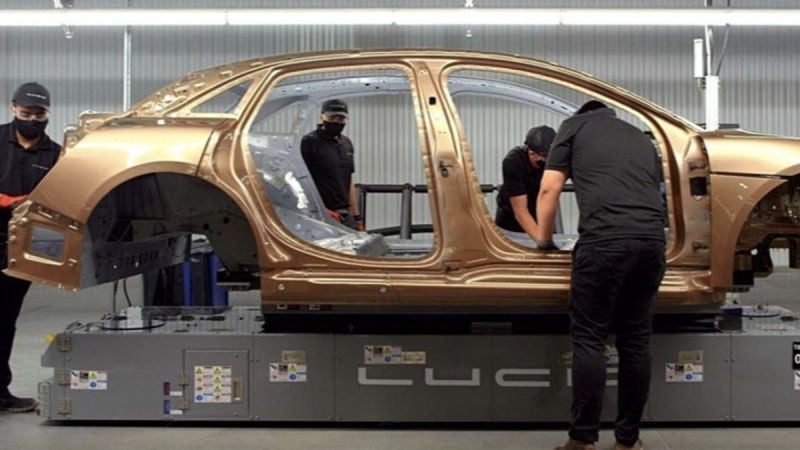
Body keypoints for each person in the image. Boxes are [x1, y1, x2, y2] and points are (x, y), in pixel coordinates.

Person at [535, 101, 667, 450]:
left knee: (590, 338)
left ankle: (582, 439)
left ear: (581, 113)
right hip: (652, 243)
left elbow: (549, 188)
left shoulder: (573, 127)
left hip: (605, 241)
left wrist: (543, 240)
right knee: (636, 339)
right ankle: (628, 440)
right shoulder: (641, 138)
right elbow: (656, 192)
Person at [1, 82, 61, 413]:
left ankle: (1, 393)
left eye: (39, 115)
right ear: (13, 109)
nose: (32, 120)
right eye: (26, 114)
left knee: (5, 320)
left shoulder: (54, 153)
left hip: (19, 249)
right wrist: (8, 201)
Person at [300, 99, 363, 231]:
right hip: (320, 216)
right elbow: (300, 180)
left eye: (340, 118)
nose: (336, 121)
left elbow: (349, 181)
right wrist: (323, 211)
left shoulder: (346, 143)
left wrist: (357, 217)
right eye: (332, 117)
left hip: (345, 215)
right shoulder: (309, 142)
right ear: (321, 116)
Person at [494, 125, 556, 242]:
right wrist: (543, 243)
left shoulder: (554, 160)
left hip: (539, 211)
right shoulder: (513, 162)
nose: (548, 161)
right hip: (511, 218)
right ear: (531, 153)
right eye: (545, 156)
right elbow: (520, 211)